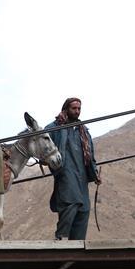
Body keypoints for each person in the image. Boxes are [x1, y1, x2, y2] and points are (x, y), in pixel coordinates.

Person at [46, 97, 101, 240]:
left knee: (84, 210)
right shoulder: (55, 128)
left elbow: (91, 155)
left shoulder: (83, 131)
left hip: (82, 178)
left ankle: (77, 247)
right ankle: (61, 241)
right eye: (74, 108)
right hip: (66, 176)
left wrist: (94, 173)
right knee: (70, 205)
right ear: (66, 109)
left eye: (79, 109)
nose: (77, 111)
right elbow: (42, 144)